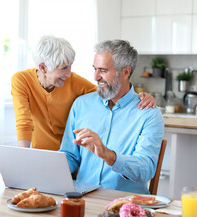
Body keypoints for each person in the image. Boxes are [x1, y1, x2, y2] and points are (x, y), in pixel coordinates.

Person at [11, 35, 156, 151]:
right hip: (41, 155)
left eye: (70, 67)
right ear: (42, 68)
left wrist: (139, 97)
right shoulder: (21, 80)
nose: (69, 74)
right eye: (63, 68)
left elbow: (109, 93)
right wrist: (24, 159)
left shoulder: (75, 82)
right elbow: (24, 122)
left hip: (70, 157)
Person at [59, 39, 164, 194]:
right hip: (82, 199)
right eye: (94, 69)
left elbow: (145, 169)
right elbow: (69, 156)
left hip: (125, 205)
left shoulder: (148, 113)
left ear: (126, 72)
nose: (95, 77)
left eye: (103, 70)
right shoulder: (81, 105)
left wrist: (108, 155)